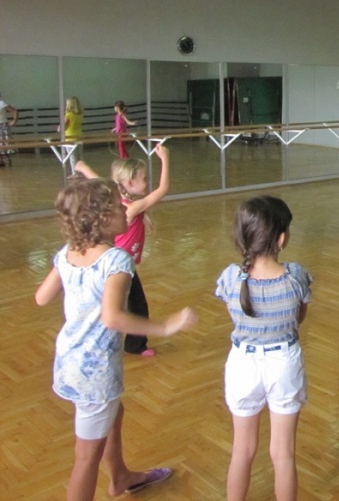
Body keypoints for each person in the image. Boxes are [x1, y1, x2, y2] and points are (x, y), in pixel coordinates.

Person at [34, 176, 196, 501]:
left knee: (113, 412)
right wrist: (166, 326)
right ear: (101, 218)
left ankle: (121, 476)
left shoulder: (69, 252)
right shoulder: (116, 260)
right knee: (86, 458)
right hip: (95, 371)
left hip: (69, 359)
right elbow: (112, 317)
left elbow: (41, 297)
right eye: (117, 205)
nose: (125, 208)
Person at [215, 195, 312, 501]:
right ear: (281, 239)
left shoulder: (231, 278)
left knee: (241, 450)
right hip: (284, 363)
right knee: (283, 454)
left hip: (243, 364)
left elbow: (236, 315)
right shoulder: (296, 276)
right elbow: (298, 319)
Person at [74, 143, 170, 356]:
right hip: (118, 266)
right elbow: (163, 190)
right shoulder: (132, 207)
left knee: (127, 305)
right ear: (130, 183)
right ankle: (130, 344)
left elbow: (99, 181)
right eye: (144, 178)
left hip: (120, 264)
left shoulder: (118, 197)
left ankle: (131, 344)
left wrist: (83, 167)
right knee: (134, 306)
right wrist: (165, 158)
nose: (147, 182)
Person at [60, 96, 84, 171]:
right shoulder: (80, 114)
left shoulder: (69, 115)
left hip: (70, 138)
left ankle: (75, 173)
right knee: (79, 156)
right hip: (79, 136)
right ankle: (81, 171)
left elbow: (62, 128)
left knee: (73, 157)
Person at [0, 92, 19, 167]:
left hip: (2, 126)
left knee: (4, 143)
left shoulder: (2, 104)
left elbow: (14, 110)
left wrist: (14, 120)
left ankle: (7, 160)